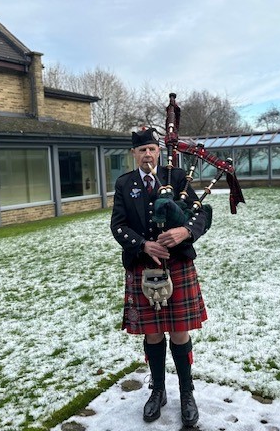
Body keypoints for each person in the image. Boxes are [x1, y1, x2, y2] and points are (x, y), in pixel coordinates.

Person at [110, 127, 209, 427]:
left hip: (177, 265)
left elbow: (201, 213)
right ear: (134, 154)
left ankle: (187, 393)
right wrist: (142, 245)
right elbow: (118, 225)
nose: (148, 154)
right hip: (143, 267)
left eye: (152, 149)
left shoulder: (176, 178)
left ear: (158, 151)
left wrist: (186, 231)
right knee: (152, 334)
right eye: (142, 150)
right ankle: (158, 390)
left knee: (180, 332)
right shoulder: (125, 184)